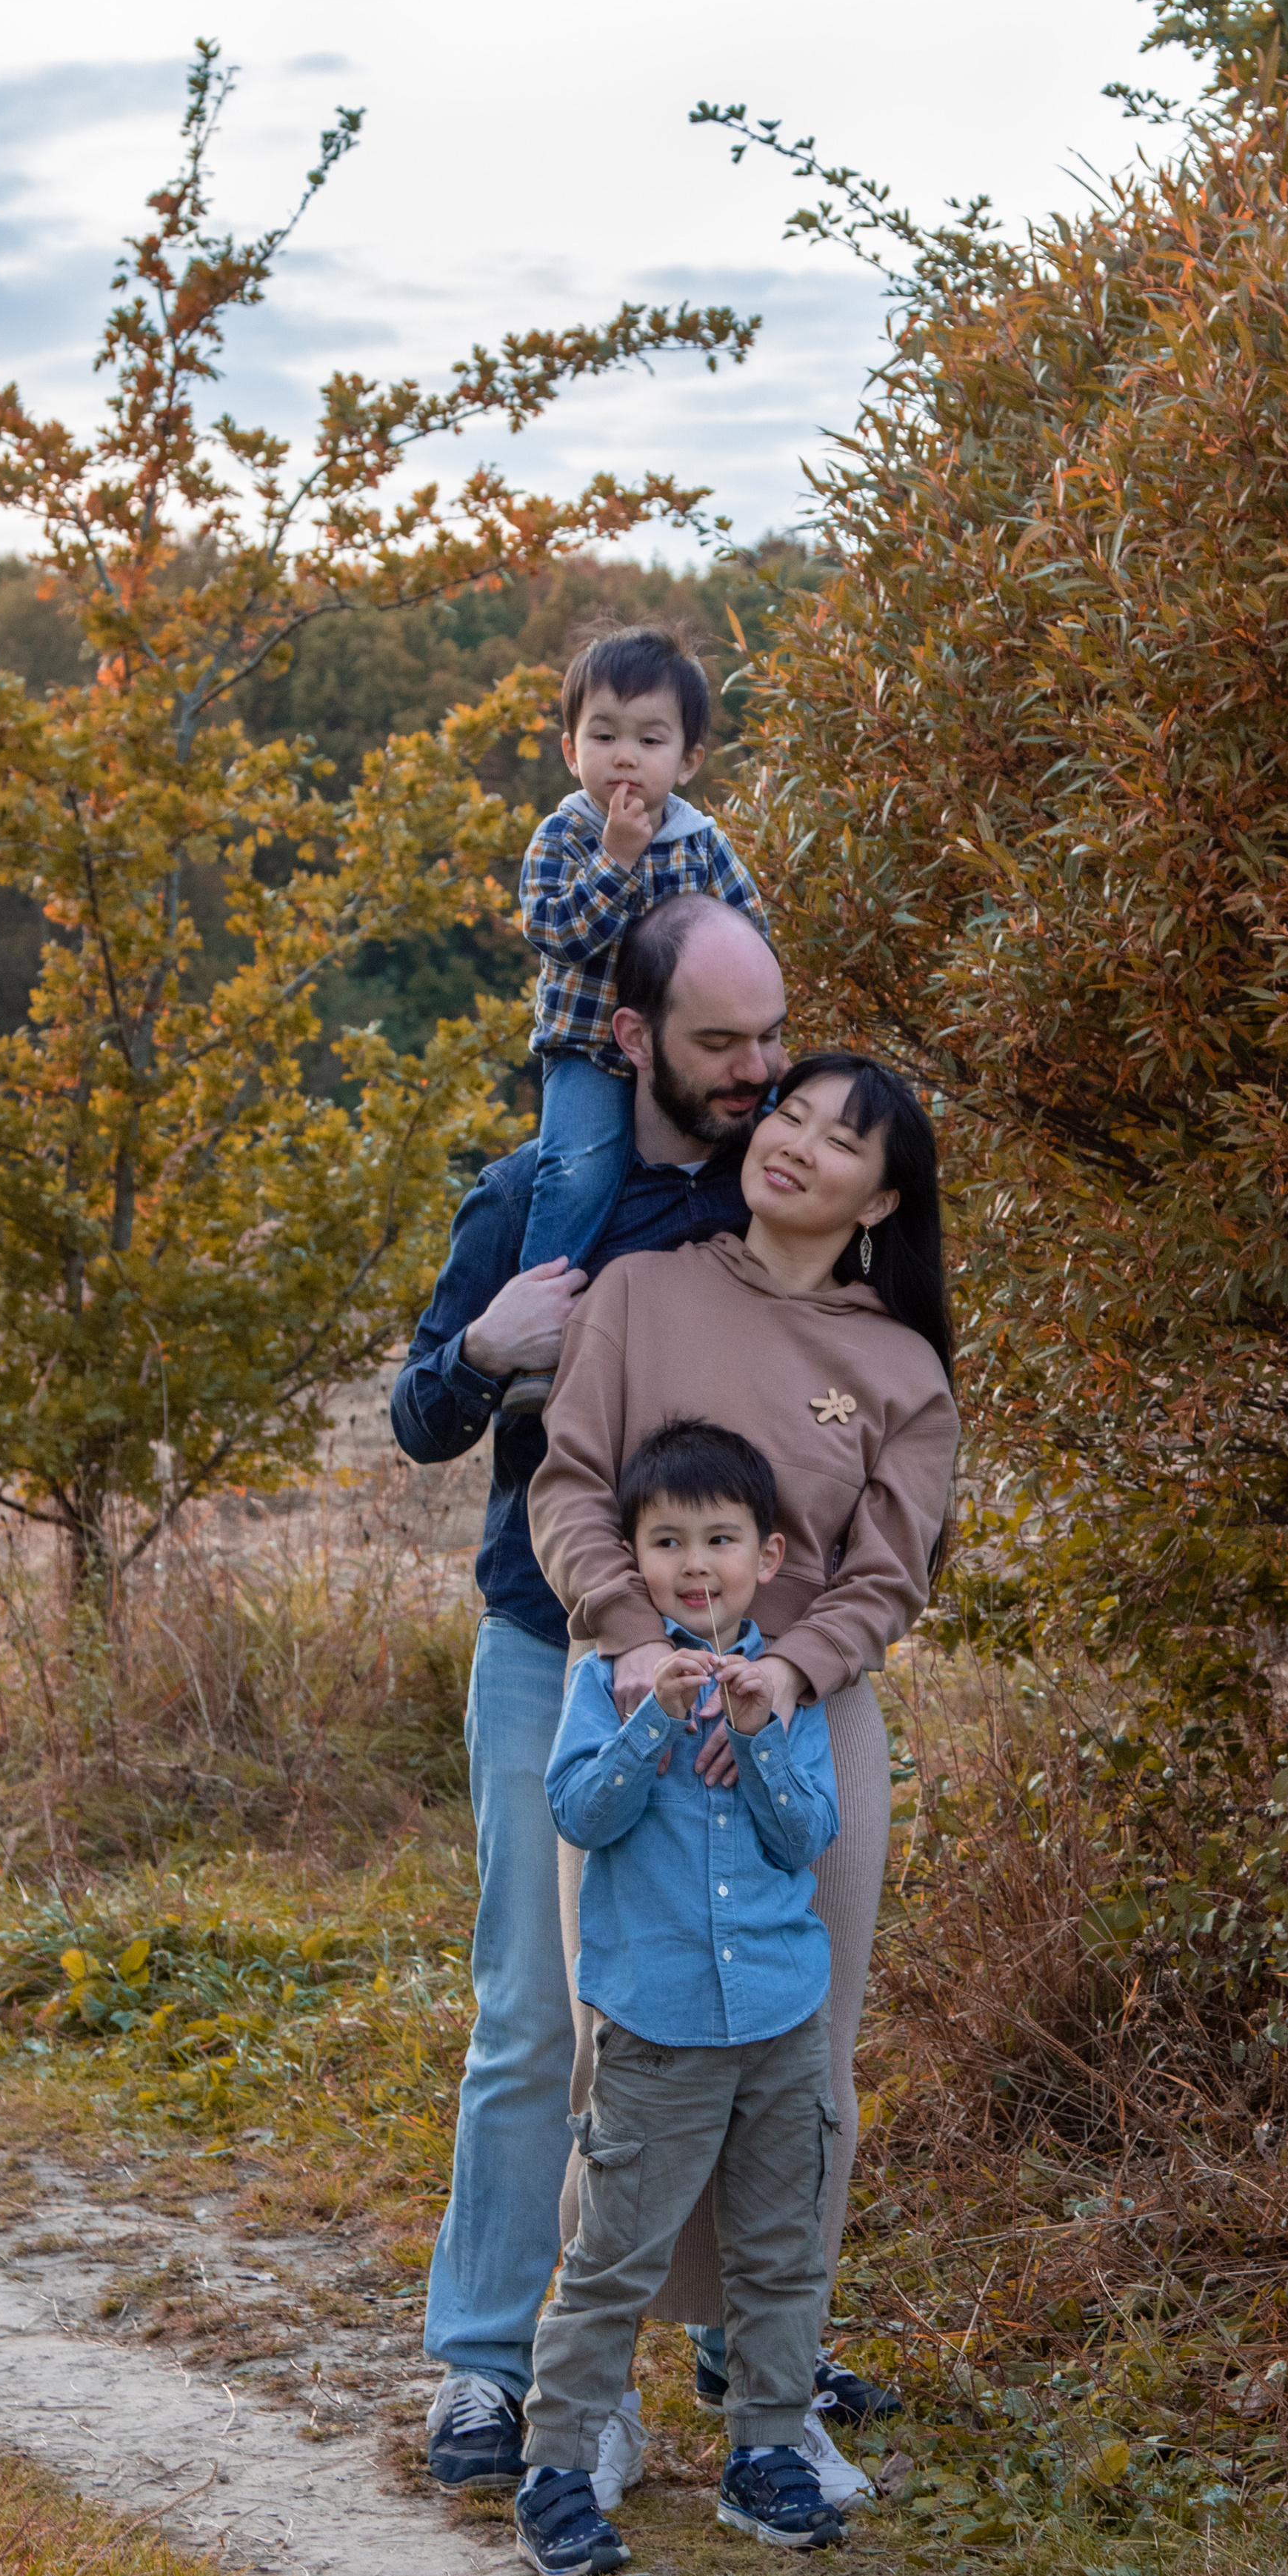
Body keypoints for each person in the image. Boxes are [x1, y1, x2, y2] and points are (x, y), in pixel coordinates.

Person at [390, 894, 787, 2489]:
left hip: (725, 1663)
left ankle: (748, 2353)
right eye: (718, 1044)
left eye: (769, 1036)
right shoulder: (527, 1203)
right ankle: (485, 2371)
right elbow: (419, 1418)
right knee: (532, 2017)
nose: (756, 1069)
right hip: (542, 1647)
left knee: (726, 1994)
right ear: (627, 1039)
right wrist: (486, 1345)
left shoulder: (772, 1202)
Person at [528, 1052, 961, 2409]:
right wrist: (639, 1647)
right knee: (627, 2038)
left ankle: (763, 2365)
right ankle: (590, 2399)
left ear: (882, 1200)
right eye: (790, 1113)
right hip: (629, 1707)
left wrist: (788, 1681)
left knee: (803, 2052)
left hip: (807, 1725)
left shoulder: (898, 1366)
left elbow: (891, 1573)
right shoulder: (642, 1292)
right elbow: (571, 1485)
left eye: (843, 1141)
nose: (798, 1145)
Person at [514, 1419, 850, 2576]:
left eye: (719, 1539)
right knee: (612, 2253)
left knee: (779, 2252)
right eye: (667, 1541)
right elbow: (581, 1816)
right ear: (636, 1557)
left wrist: (754, 1735)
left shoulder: (783, 1692)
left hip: (778, 2021)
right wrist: (656, 1715)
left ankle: (764, 2456)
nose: (694, 1563)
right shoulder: (611, 1688)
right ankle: (557, 2466)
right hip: (655, 2027)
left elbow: (810, 1835)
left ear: (768, 1554)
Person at [501, 625, 764, 1417]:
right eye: (603, 735)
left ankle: (785, 1306)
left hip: (684, 1060)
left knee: (782, 1127)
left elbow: (750, 937)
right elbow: (557, 935)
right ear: (568, 748)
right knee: (578, 1167)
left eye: (649, 740)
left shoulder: (702, 844)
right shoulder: (565, 837)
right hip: (587, 1049)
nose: (624, 758)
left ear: (686, 760)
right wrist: (614, 861)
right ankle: (540, 1343)